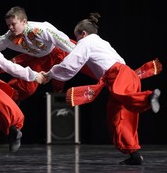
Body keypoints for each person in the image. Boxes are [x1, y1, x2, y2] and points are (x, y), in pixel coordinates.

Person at [41, 12, 161, 165]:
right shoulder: (103, 42)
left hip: (118, 75)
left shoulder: (86, 42)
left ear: (83, 34)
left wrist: (50, 74)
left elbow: (71, 64)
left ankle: (149, 97)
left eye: (76, 37)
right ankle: (134, 154)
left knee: (122, 97)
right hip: (127, 74)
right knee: (117, 117)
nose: (76, 41)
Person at [0, 6, 77, 104]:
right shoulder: (10, 36)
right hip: (37, 58)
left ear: (24, 21)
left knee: (61, 79)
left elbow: (63, 41)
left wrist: (78, 53)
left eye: (13, 24)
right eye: (8, 25)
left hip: (57, 53)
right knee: (26, 87)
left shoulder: (40, 30)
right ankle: (7, 98)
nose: (10, 28)